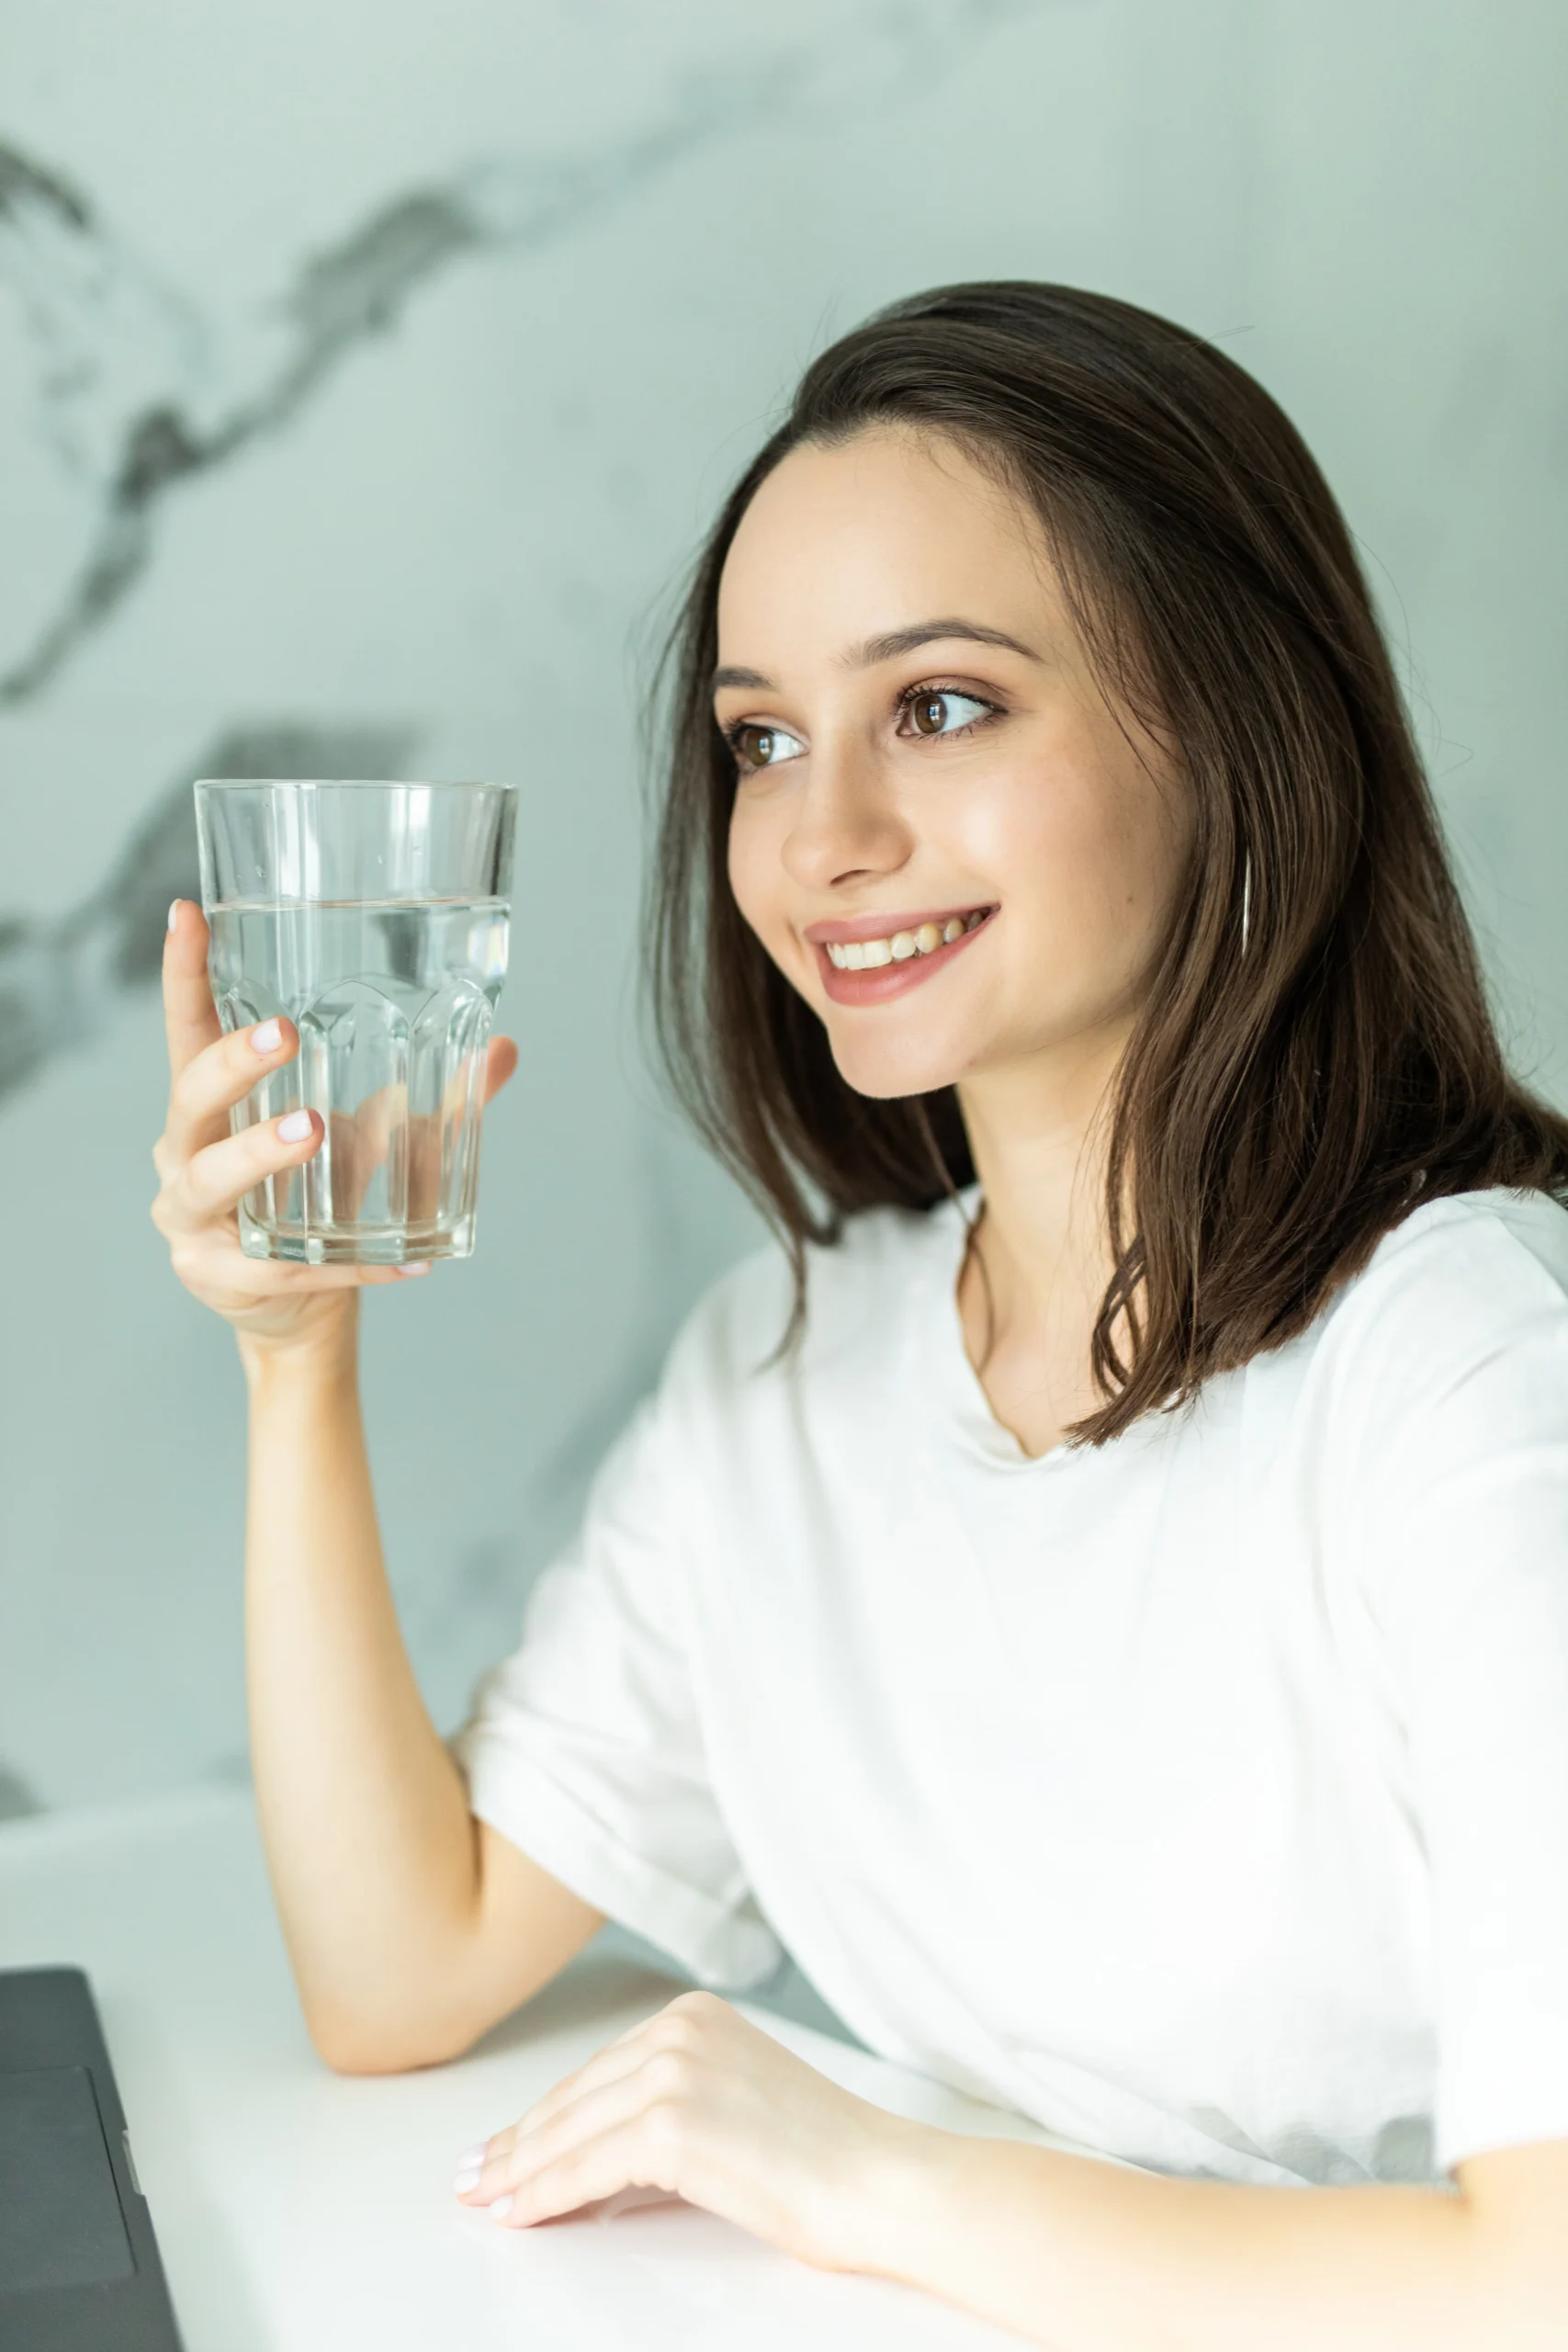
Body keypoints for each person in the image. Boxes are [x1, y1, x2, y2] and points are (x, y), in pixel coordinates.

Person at [152, 282, 1568, 2348]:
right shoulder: (788, 1368)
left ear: (1239, 722)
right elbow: (403, 1966)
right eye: (761, 739)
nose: (823, 838)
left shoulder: (1459, 1363)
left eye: (942, 705)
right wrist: (296, 1363)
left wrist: (862, 2171)